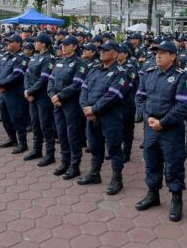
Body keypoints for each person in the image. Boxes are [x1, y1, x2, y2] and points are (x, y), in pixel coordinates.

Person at [135, 40, 187, 222]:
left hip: (170, 130)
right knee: (152, 161)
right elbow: (139, 98)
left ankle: (176, 198)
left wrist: (163, 122)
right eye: (156, 52)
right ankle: (153, 194)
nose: (157, 55)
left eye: (162, 52)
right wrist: (147, 118)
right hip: (151, 127)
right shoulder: (149, 73)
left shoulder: (181, 77)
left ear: (173, 56)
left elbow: (183, 106)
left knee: (173, 164)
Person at [78, 41, 128, 195]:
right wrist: (87, 109)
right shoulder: (94, 69)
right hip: (92, 116)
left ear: (115, 53)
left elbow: (113, 95)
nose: (101, 52)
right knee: (94, 146)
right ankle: (94, 174)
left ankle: (117, 179)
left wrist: (94, 109)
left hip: (110, 117)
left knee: (113, 148)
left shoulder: (120, 72)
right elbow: (84, 90)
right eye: (101, 50)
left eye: (105, 50)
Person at [48, 35, 88, 180]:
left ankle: (74, 165)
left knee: (73, 135)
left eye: (67, 44)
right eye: (62, 44)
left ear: (75, 46)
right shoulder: (59, 62)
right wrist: (52, 95)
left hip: (71, 104)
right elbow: (50, 80)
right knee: (61, 133)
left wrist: (59, 96)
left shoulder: (80, 63)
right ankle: (65, 162)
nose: (63, 47)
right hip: (57, 103)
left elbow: (77, 85)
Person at [23, 33, 57, 166]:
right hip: (32, 96)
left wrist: (30, 91)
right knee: (35, 124)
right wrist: (27, 90)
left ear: (44, 44)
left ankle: (50, 154)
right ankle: (37, 150)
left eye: (37, 41)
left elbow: (44, 79)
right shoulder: (35, 57)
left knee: (45, 125)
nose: (34, 43)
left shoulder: (49, 59)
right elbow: (27, 75)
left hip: (42, 97)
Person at [0, 34, 30, 153]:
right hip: (3, 93)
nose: (8, 44)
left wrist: (1, 84)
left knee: (17, 118)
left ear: (19, 43)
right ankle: (12, 138)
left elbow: (17, 75)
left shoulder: (22, 58)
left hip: (15, 94)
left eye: (11, 42)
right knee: (5, 118)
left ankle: (22, 143)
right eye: (7, 42)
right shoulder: (5, 56)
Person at [117, 44, 139, 162]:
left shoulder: (130, 68)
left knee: (127, 129)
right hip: (115, 103)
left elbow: (129, 85)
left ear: (125, 54)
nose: (117, 54)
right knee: (116, 128)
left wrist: (114, 90)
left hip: (127, 103)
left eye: (119, 52)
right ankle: (116, 150)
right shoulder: (114, 67)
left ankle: (126, 152)